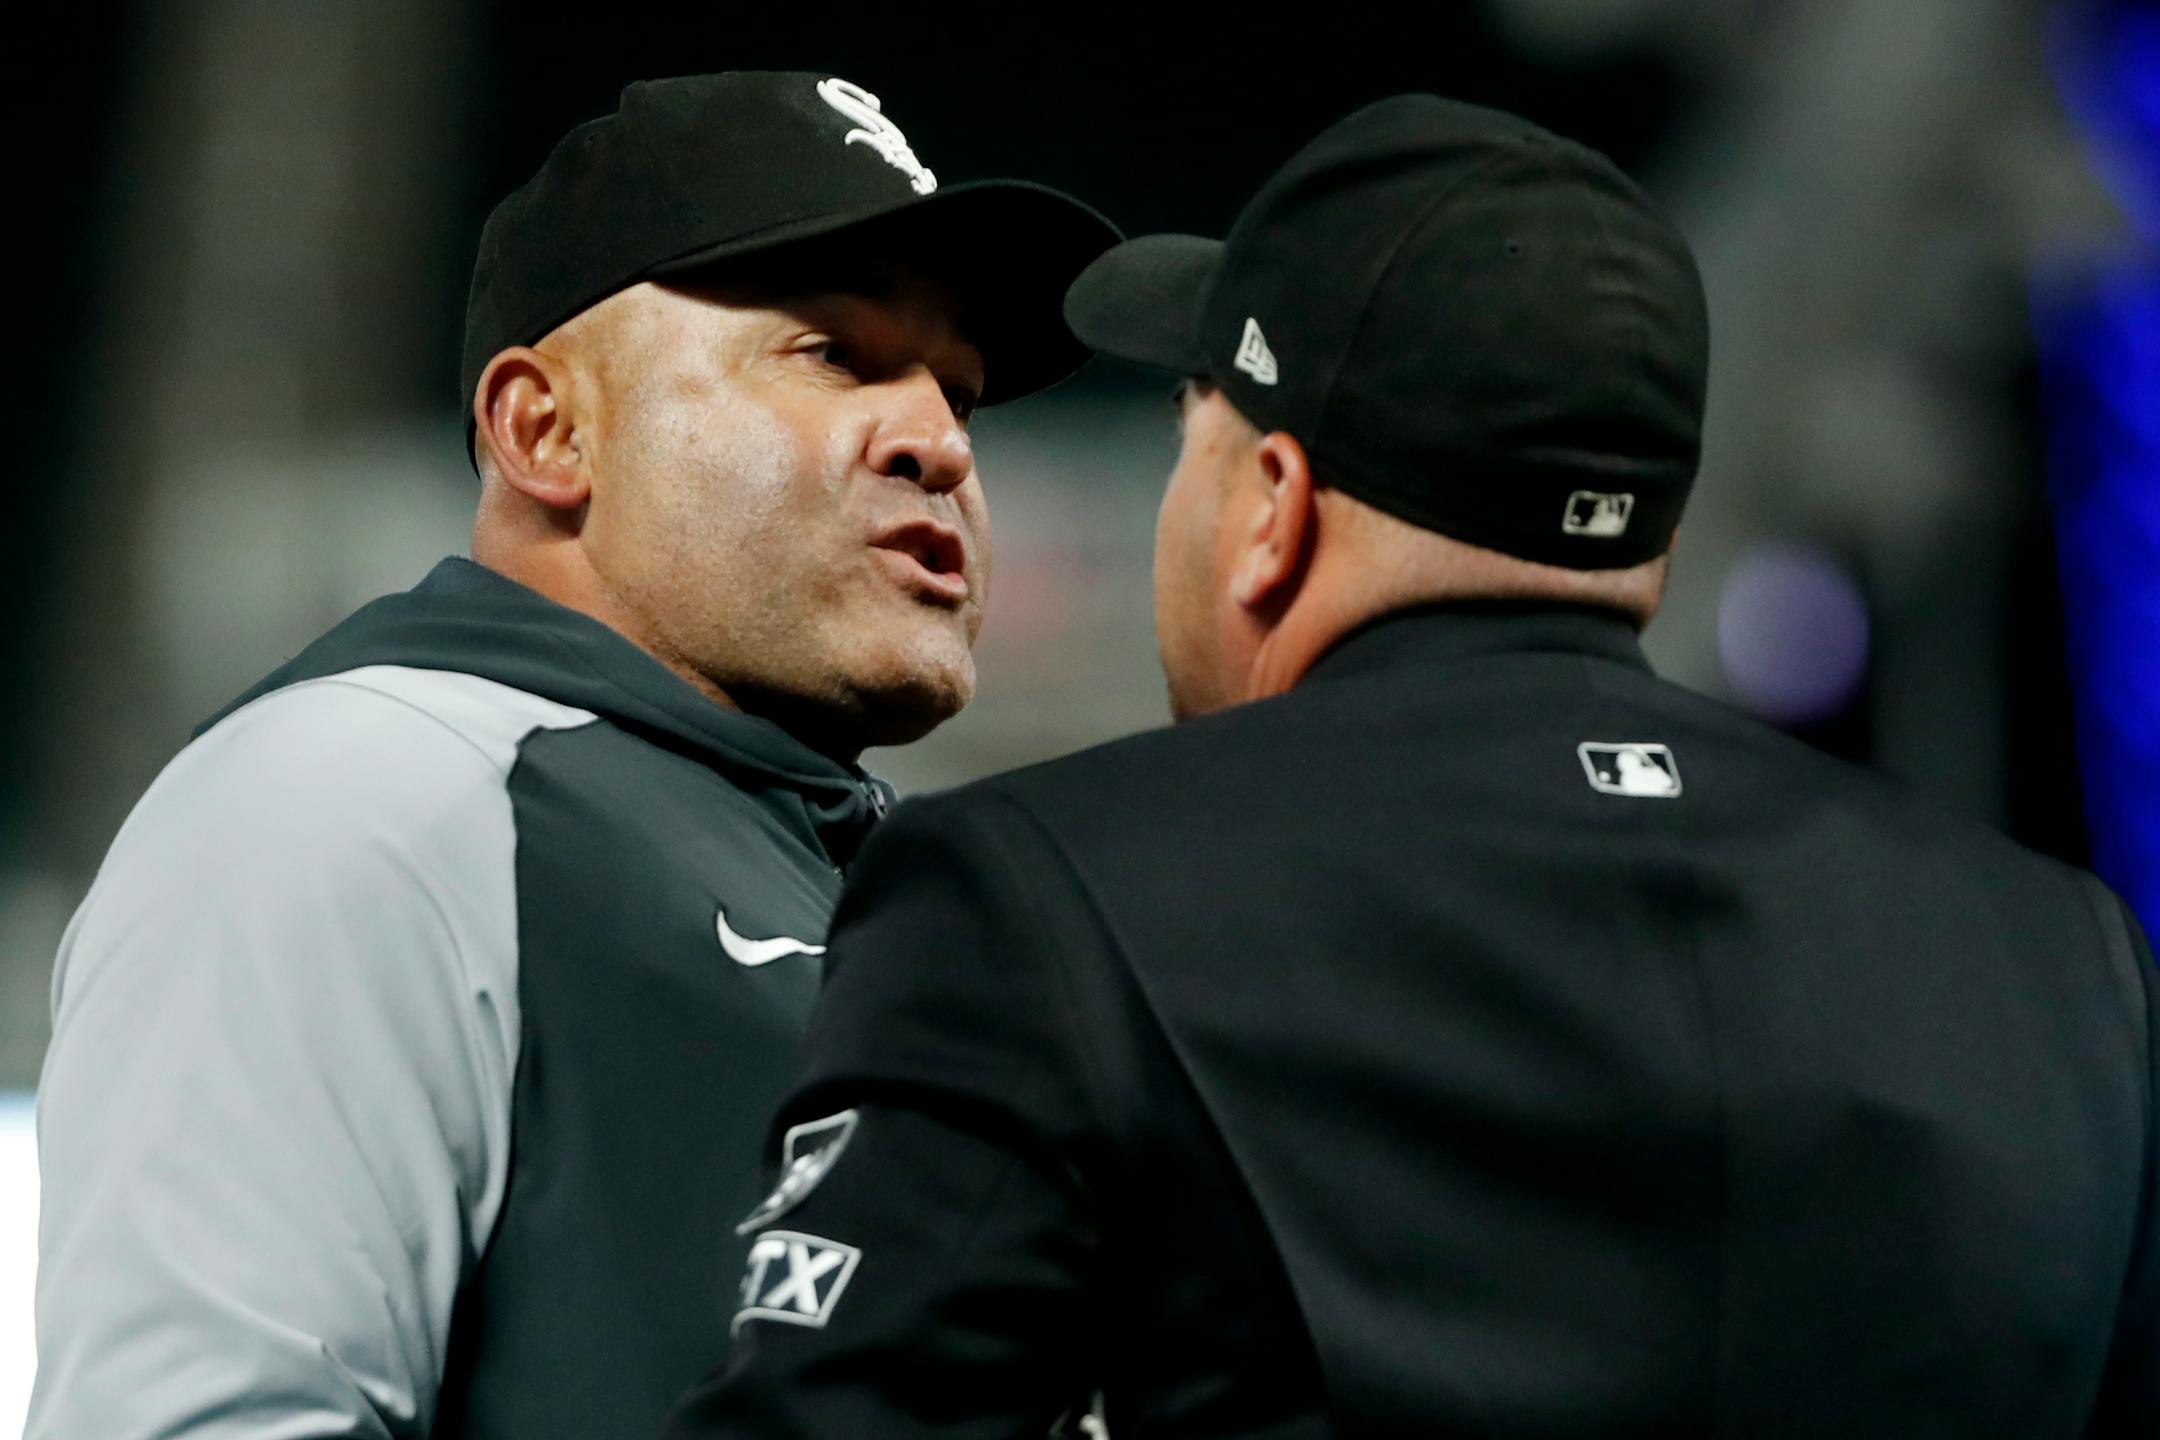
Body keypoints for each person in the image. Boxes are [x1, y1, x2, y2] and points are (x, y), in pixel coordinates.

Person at [668, 95, 2158, 1438]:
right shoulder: (2062, 961)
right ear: (1650, 537)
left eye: (1197, 432)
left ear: (1273, 508)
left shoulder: (1043, 896)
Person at [28, 71, 1114, 1440]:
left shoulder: (881, 864)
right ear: (546, 430)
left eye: (958, 391)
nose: (940, 442)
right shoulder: (368, 794)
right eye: (834, 354)